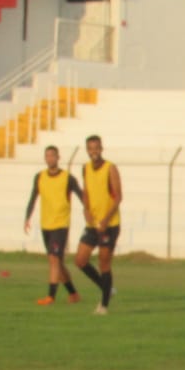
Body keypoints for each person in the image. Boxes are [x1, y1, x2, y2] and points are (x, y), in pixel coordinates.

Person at [23, 144, 83, 306]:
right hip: (46, 224)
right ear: (45, 158)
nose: (50, 158)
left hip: (61, 224)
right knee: (58, 262)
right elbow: (33, 197)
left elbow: (81, 195)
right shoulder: (40, 177)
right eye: (47, 156)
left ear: (58, 158)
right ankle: (73, 294)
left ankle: (51, 296)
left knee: (53, 259)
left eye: (53, 155)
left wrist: (90, 212)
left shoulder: (67, 178)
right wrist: (27, 217)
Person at [75, 134, 123, 315]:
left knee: (104, 262)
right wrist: (85, 209)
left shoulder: (110, 168)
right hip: (93, 223)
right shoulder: (85, 168)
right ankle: (107, 288)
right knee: (80, 261)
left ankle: (103, 305)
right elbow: (86, 191)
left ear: (101, 149)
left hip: (109, 224)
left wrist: (105, 220)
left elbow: (118, 197)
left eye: (96, 148)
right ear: (87, 150)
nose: (93, 152)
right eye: (90, 148)